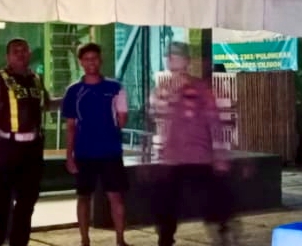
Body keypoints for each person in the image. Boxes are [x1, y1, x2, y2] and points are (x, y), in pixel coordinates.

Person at [149, 41, 240, 246]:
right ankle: (165, 239)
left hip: (199, 156)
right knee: (165, 206)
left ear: (187, 60)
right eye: (169, 56)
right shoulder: (161, 90)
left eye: (176, 56)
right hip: (172, 158)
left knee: (214, 203)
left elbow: (213, 122)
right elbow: (158, 122)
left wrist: (220, 155)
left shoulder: (200, 89)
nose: (171, 59)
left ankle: (224, 234)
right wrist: (158, 154)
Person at [0, 38, 60, 246]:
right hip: (7, 148)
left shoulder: (36, 79)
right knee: (0, 203)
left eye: (24, 50)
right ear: (7, 56)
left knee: (27, 203)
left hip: (32, 150)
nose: (21, 54)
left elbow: (46, 104)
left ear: (29, 54)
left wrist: (69, 98)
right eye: (15, 51)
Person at [62, 43, 129, 246]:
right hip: (84, 152)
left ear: (101, 60)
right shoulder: (73, 91)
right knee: (83, 197)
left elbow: (122, 119)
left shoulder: (115, 88)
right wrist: (69, 156)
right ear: (81, 62)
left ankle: (120, 239)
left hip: (110, 151)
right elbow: (71, 126)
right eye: (87, 59)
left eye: (95, 58)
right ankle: (85, 239)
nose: (91, 62)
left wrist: (115, 122)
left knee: (115, 196)